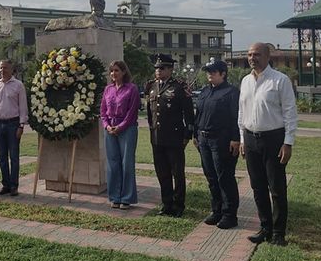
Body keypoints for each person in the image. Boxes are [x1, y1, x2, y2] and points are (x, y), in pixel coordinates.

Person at [238, 42, 298, 247]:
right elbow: (242, 112)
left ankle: (279, 233)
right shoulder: (245, 81)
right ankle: (265, 227)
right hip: (251, 139)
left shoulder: (280, 81)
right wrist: (243, 139)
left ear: (267, 56)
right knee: (257, 187)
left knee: (277, 188)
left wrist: (287, 143)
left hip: (273, 139)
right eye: (249, 54)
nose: (252, 58)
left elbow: (290, 113)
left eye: (256, 54)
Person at [146, 54, 194, 217]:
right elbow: (150, 113)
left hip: (174, 137)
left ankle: (178, 205)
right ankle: (166, 204)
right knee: (162, 172)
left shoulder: (180, 87)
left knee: (177, 173)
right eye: (157, 68)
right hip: (157, 137)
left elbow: (188, 113)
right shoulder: (151, 86)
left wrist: (187, 134)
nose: (158, 71)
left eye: (162, 68)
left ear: (171, 70)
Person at [193, 60, 240, 229]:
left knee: (224, 177)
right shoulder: (205, 91)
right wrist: (195, 134)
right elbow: (198, 114)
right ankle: (217, 210)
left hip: (222, 139)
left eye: (213, 72)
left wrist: (236, 138)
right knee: (211, 177)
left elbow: (236, 117)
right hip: (204, 139)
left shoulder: (231, 92)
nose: (209, 74)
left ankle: (230, 214)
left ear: (223, 74)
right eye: (208, 71)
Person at [100, 60, 140, 210]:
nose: (113, 73)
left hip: (127, 129)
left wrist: (120, 127)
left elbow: (132, 112)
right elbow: (103, 112)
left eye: (116, 70)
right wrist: (107, 126)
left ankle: (127, 198)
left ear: (123, 72)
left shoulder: (132, 89)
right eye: (111, 71)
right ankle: (115, 196)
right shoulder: (108, 89)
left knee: (126, 163)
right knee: (112, 163)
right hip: (110, 129)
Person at [0, 59, 28, 196]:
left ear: (12, 69)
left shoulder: (18, 85)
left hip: (13, 124)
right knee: (2, 157)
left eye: (5, 68)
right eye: (0, 68)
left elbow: (23, 107)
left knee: (14, 157)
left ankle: (14, 186)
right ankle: (5, 184)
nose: (2, 70)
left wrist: (21, 125)